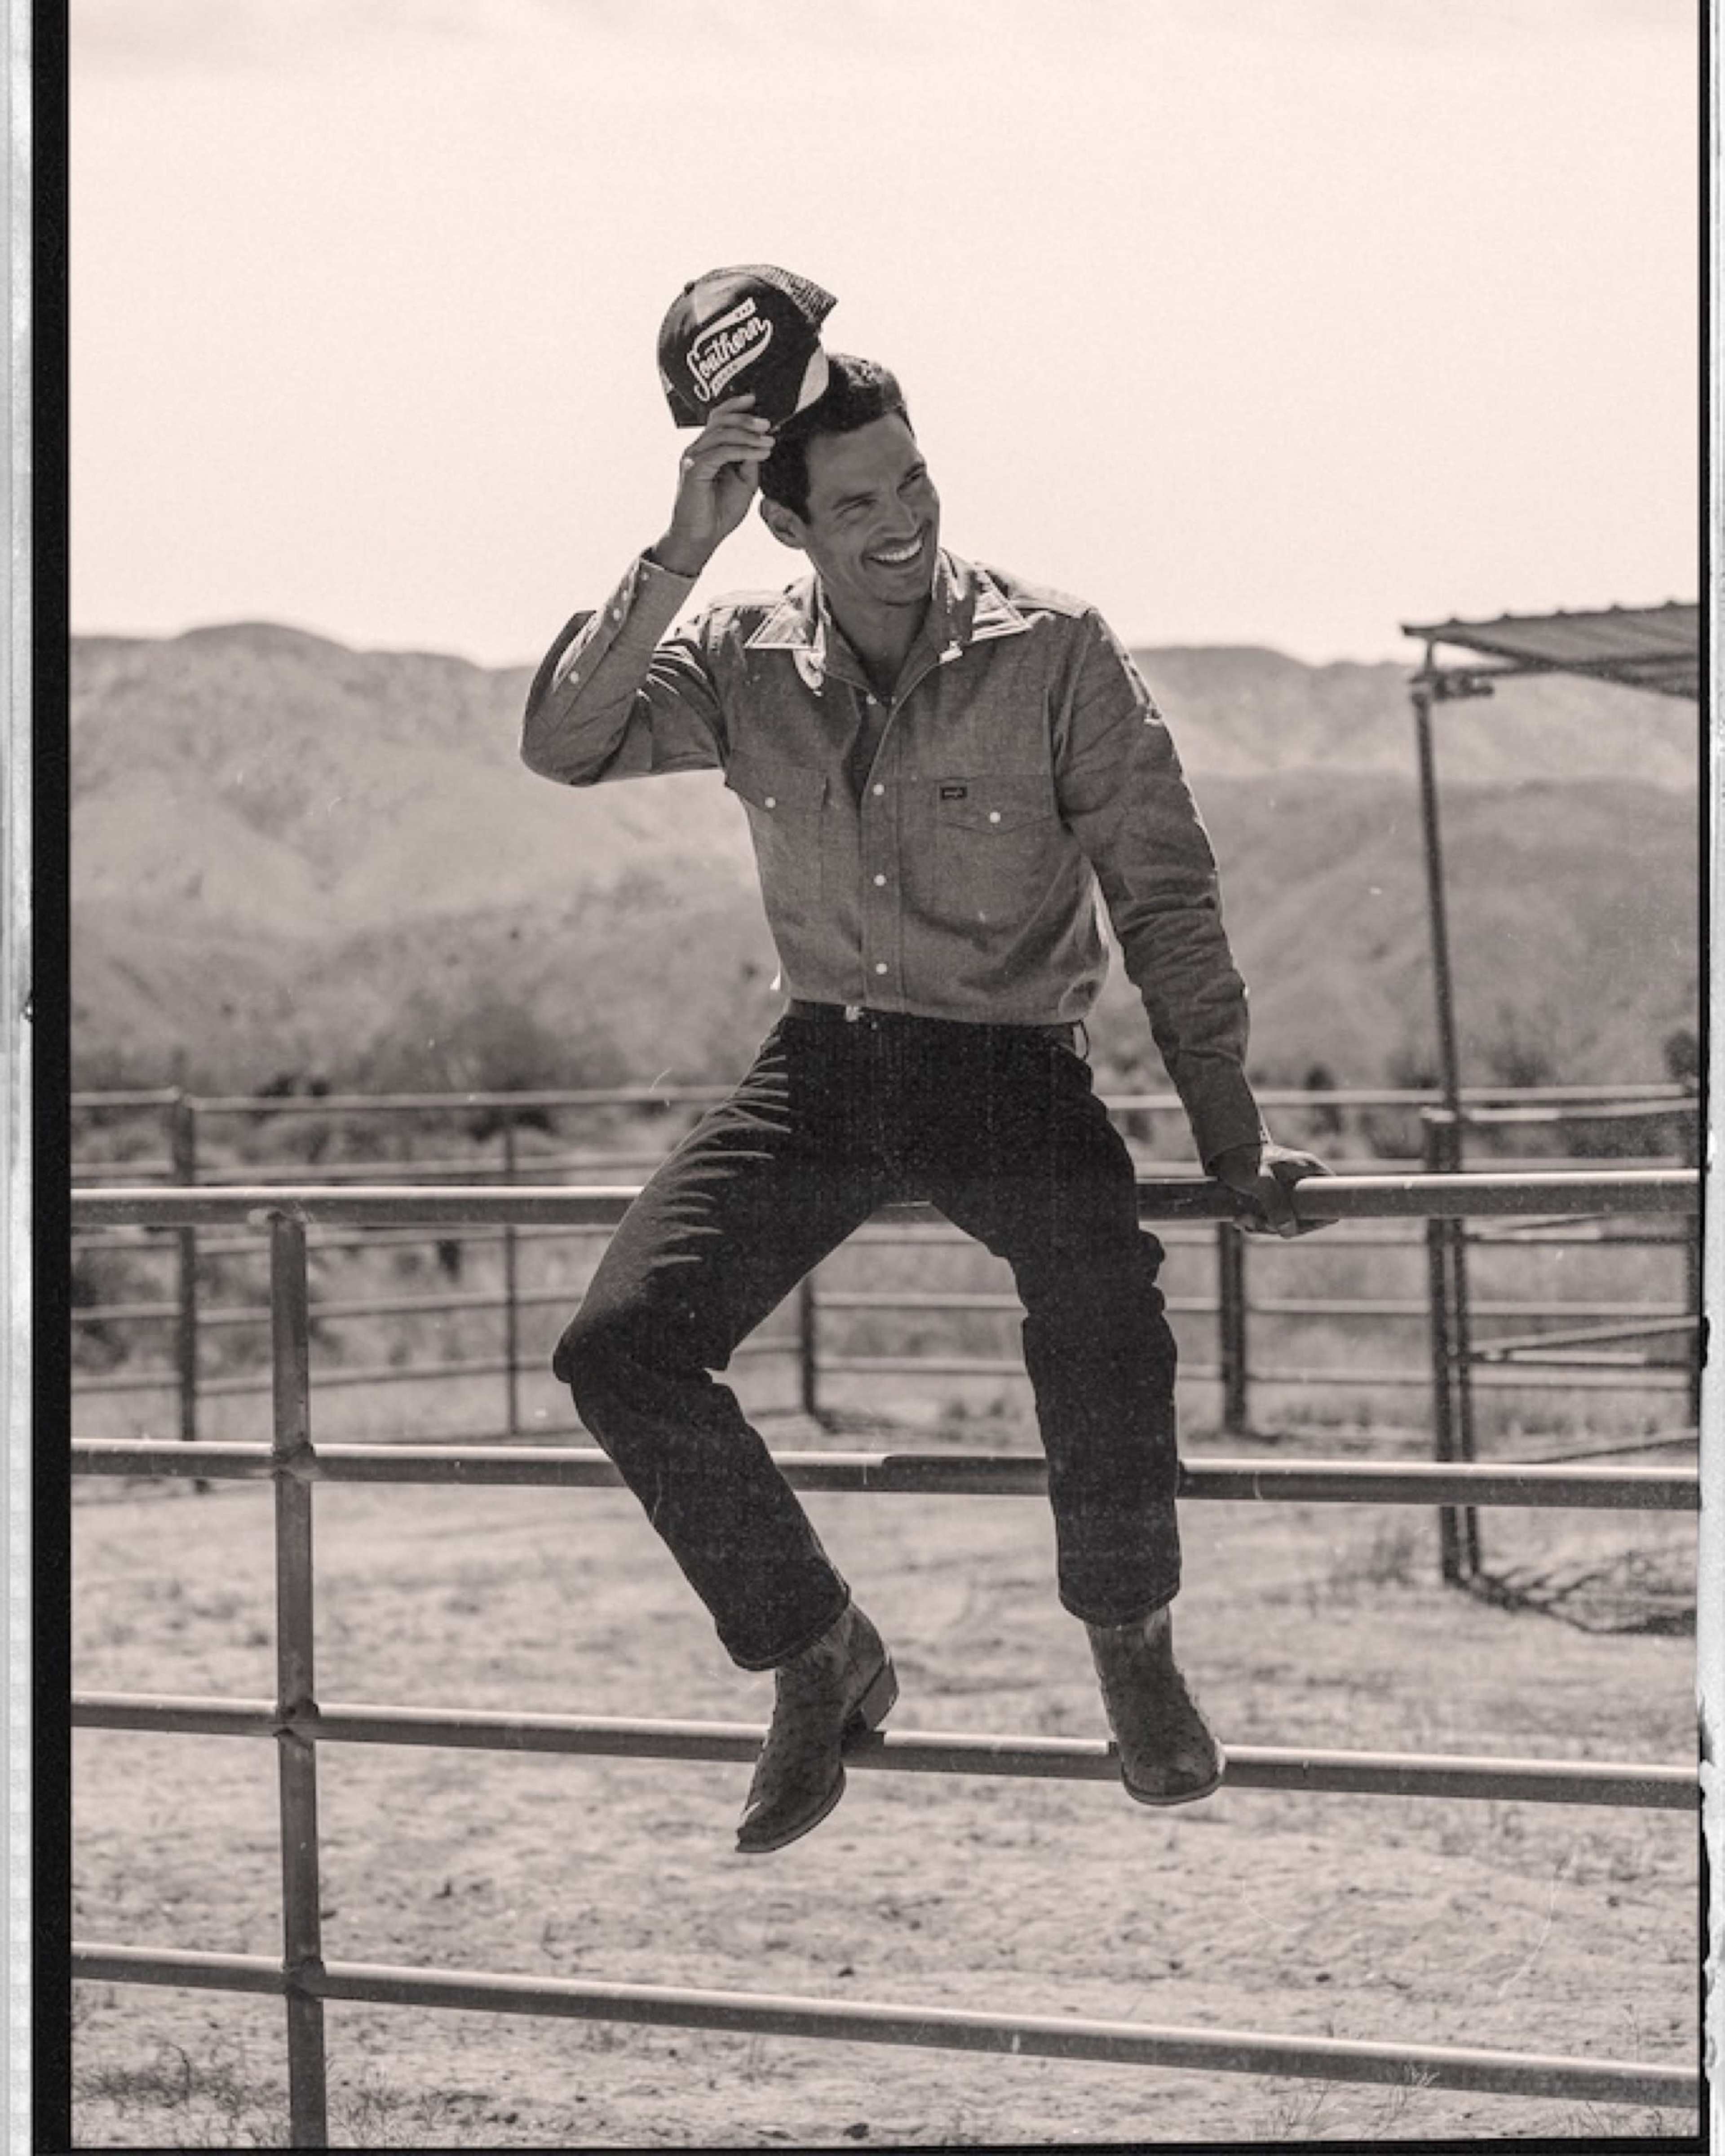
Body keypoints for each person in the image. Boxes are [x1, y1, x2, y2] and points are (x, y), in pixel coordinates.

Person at [522, 344, 1330, 1855]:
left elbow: (1163, 890)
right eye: (858, 502)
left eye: (915, 482)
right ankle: (817, 1649)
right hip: (823, 1062)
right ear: (787, 524)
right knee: (618, 1349)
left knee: (1100, 1285)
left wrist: (1228, 1133)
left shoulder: (1059, 647)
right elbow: (563, 741)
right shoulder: (740, 651)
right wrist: (676, 548)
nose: (904, 520)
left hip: (1008, 1066)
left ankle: (1131, 1646)